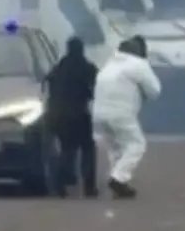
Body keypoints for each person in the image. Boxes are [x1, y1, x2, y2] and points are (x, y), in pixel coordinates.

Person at [92, 35, 161, 199]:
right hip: (121, 113)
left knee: (116, 148)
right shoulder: (138, 64)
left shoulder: (109, 64)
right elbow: (155, 91)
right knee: (137, 144)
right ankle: (118, 179)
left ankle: (118, 182)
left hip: (99, 114)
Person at [45, 36, 99, 198]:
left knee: (67, 150)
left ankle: (59, 184)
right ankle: (89, 187)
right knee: (88, 149)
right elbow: (95, 89)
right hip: (79, 114)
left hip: (57, 115)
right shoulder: (87, 68)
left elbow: (49, 87)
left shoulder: (58, 68)